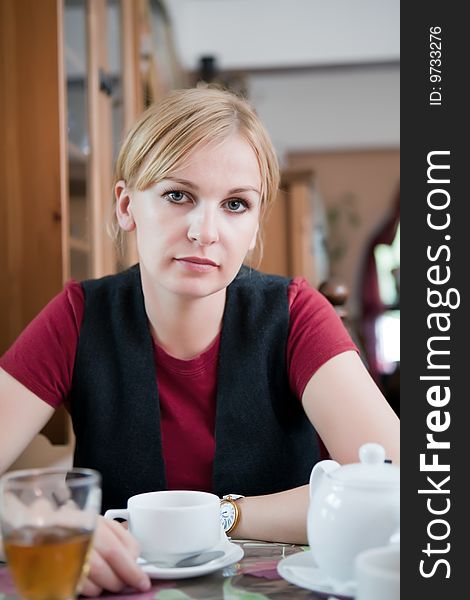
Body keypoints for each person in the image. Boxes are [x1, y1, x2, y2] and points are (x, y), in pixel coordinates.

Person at [0, 87, 399, 595]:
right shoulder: (77, 317)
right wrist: (47, 522)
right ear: (127, 206)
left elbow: (404, 485)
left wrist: (223, 516)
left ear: (255, 226)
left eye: (235, 204)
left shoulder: (296, 315)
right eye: (177, 195)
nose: (205, 231)